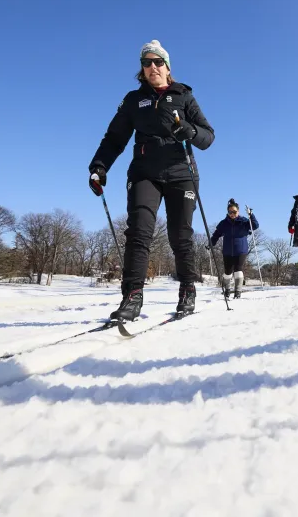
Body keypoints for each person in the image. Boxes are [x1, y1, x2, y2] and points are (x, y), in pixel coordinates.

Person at [88, 40, 215, 320]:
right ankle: (132, 296)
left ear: (167, 67)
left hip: (182, 173)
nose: (152, 67)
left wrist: (190, 131)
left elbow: (208, 136)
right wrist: (99, 167)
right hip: (145, 172)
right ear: (142, 69)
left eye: (158, 62)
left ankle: (187, 289)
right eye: (147, 62)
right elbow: (114, 138)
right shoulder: (134, 100)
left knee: (180, 235)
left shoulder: (184, 96)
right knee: (139, 232)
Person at [210, 199, 259, 299]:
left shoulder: (244, 221)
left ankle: (238, 292)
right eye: (230, 212)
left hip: (241, 250)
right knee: (228, 272)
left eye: (234, 212)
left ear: (238, 211)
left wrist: (251, 215)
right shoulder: (223, 223)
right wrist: (211, 244)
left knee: (238, 270)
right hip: (227, 251)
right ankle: (227, 290)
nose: (232, 214)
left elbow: (255, 225)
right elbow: (216, 234)